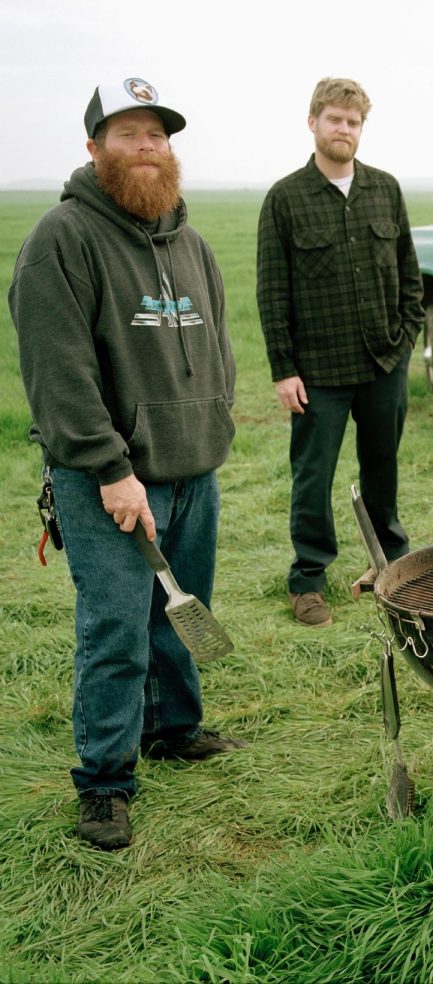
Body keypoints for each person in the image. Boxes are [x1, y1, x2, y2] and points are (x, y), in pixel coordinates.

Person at [9, 78, 244, 850]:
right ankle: (105, 781)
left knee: (180, 607)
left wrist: (212, 429)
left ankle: (173, 729)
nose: (147, 148)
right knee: (116, 625)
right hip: (106, 477)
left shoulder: (191, 242)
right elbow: (59, 371)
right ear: (94, 148)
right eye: (128, 134)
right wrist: (111, 468)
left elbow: (217, 350)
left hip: (191, 471)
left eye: (158, 135)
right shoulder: (62, 239)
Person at [256, 78, 424, 627]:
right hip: (317, 372)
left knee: (382, 468)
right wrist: (284, 369)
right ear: (313, 123)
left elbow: (408, 274)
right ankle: (308, 579)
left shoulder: (384, 189)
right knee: (313, 476)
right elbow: (271, 289)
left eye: (353, 123)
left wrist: (406, 340)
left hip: (382, 362)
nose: (344, 130)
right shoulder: (285, 198)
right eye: (335, 120)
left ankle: (390, 565)